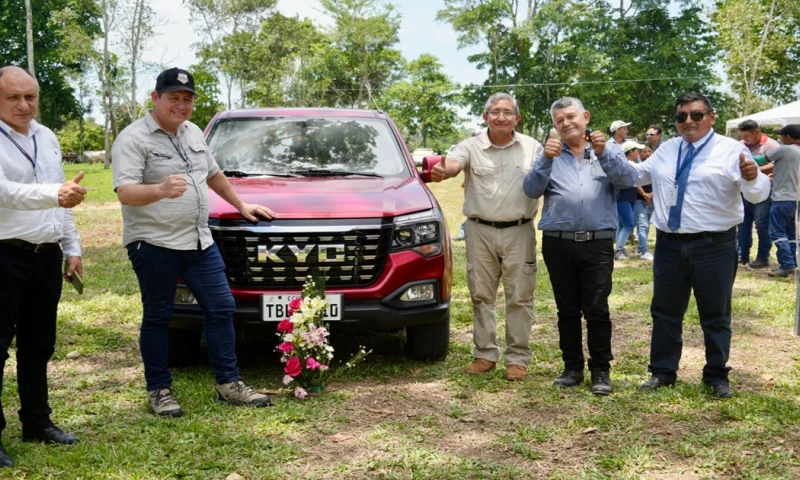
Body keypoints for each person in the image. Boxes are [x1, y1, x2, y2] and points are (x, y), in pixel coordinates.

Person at [112, 68, 276, 417]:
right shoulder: (133, 138)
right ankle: (159, 390)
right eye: (174, 98)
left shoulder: (193, 133)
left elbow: (213, 174)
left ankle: (228, 384)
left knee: (221, 308)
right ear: (156, 98)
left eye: (187, 100)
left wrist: (241, 205)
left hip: (199, 242)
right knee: (159, 316)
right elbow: (125, 192)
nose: (182, 106)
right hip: (154, 243)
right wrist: (159, 190)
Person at [622, 92, 770, 398]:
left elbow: (757, 195)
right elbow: (633, 174)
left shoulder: (732, 151)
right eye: (681, 116)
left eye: (696, 115)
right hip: (669, 245)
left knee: (715, 314)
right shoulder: (667, 150)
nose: (688, 121)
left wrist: (754, 178)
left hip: (713, 245)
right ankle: (663, 372)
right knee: (664, 311)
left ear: (711, 117)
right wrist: (602, 154)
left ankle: (716, 375)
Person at [0, 66, 86, 467]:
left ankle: (37, 422)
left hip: (45, 255)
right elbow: (6, 192)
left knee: (38, 345)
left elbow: (62, 196)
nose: (24, 105)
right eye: (13, 97)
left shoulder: (47, 136)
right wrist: (55, 193)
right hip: (4, 254)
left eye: (30, 96)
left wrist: (71, 246)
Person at [523, 97, 638, 395]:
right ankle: (572, 367)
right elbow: (530, 189)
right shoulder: (549, 153)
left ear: (585, 117)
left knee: (597, 309)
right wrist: (545, 160)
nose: (566, 123)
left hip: (597, 243)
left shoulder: (606, 149)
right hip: (558, 243)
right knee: (567, 309)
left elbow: (628, 179)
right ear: (555, 126)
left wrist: (603, 154)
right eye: (559, 120)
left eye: (571, 116)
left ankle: (601, 369)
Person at [431, 92, 542, 382]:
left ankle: (517, 358)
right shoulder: (471, 146)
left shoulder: (532, 147)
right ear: (485, 117)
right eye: (495, 111)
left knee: (520, 295)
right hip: (479, 230)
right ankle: (485, 354)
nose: (501, 116)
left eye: (508, 112)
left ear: (517, 118)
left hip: (520, 230)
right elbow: (454, 164)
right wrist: (446, 170)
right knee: (481, 295)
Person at [737, 119, 780, 269]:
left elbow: (776, 164)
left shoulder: (772, 145)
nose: (745, 139)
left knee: (762, 225)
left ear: (757, 132)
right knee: (743, 223)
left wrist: (755, 171)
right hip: (744, 190)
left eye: (747, 135)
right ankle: (743, 254)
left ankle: (762, 257)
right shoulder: (741, 146)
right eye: (742, 136)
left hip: (764, 192)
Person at [765, 125, 800, 278]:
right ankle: (794, 262)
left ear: (789, 137)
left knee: (777, 232)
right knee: (791, 233)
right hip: (796, 199)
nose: (780, 139)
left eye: (782, 136)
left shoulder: (785, 149)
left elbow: (763, 158)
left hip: (782, 197)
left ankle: (786, 265)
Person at [614, 141, 646, 261]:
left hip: (628, 198)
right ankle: (619, 250)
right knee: (629, 225)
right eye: (637, 150)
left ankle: (619, 248)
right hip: (623, 198)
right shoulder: (629, 164)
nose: (638, 153)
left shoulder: (629, 164)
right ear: (630, 151)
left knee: (622, 225)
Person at [634, 145, 655, 260]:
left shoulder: (655, 166)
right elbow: (635, 182)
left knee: (647, 226)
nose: (647, 153)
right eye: (644, 151)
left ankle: (640, 247)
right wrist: (645, 195)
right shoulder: (637, 167)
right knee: (643, 225)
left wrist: (651, 195)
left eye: (649, 151)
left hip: (652, 198)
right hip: (638, 199)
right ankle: (643, 251)